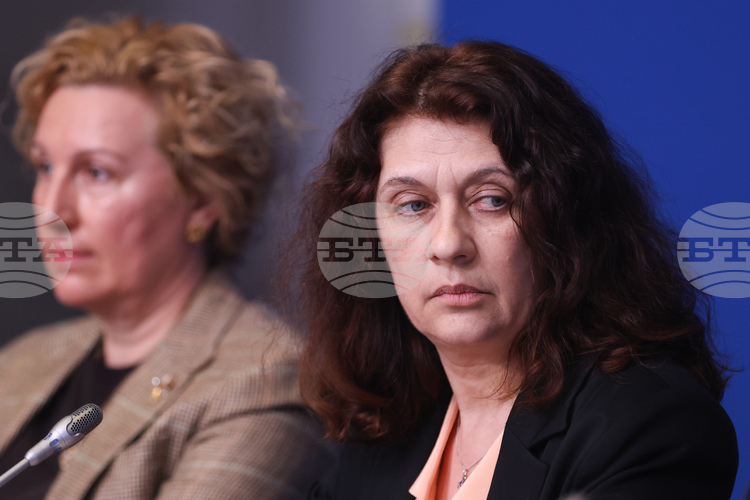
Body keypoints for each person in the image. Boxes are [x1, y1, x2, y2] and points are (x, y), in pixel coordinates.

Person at [293, 41, 739, 499]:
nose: (448, 245)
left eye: (492, 199)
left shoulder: (649, 423)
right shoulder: (383, 430)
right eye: (413, 205)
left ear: (566, 219)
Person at [0, 16, 330, 499]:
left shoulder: (263, 382)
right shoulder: (21, 362)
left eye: (96, 172)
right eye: (45, 166)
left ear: (202, 199)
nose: (53, 209)